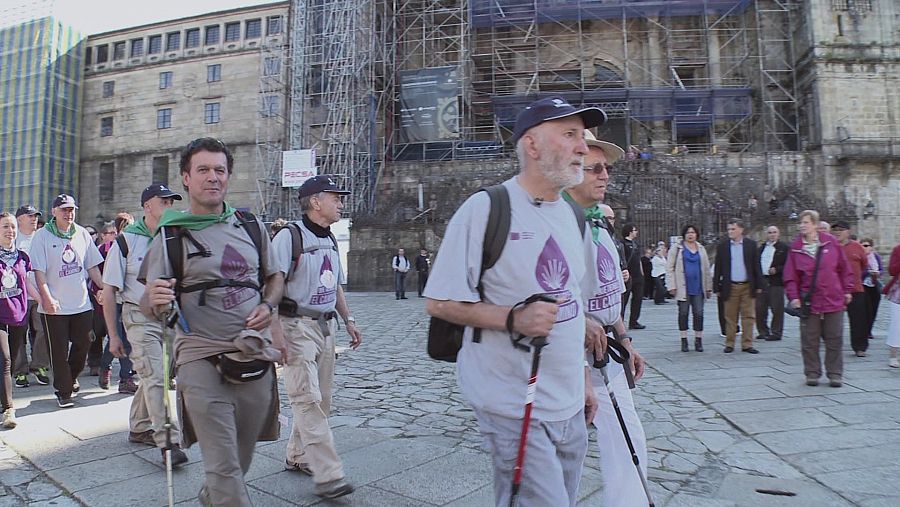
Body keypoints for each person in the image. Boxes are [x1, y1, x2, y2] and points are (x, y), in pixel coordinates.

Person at [425, 96, 605, 506]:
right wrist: (514, 318)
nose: (583, 147)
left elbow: (573, 305)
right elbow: (438, 302)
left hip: (569, 404)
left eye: (583, 136)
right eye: (570, 135)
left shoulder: (574, 216)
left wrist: (583, 380)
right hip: (513, 402)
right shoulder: (487, 208)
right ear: (532, 144)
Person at [141, 137, 285, 506]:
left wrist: (268, 305)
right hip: (199, 356)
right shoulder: (170, 235)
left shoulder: (251, 225)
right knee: (223, 465)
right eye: (203, 169)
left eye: (220, 170)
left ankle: (213, 494)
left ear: (228, 176)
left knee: (241, 457)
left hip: (251, 351)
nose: (213, 177)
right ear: (186, 178)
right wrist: (152, 299)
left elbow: (275, 277)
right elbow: (149, 305)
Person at [564, 129, 648, 507]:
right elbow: (553, 298)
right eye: (595, 168)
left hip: (607, 354)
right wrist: (581, 368)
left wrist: (625, 339)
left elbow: (610, 294)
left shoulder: (599, 224)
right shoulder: (557, 224)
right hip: (570, 359)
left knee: (629, 438)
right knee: (568, 453)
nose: (605, 175)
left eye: (606, 168)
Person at [271, 175, 362, 499]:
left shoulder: (331, 239)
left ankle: (298, 455)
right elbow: (272, 283)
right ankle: (329, 474)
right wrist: (274, 328)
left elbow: (334, 284)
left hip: (325, 327)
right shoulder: (289, 236)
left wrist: (348, 320)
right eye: (335, 197)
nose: (341, 203)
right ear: (315, 201)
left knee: (321, 398)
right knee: (306, 398)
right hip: (295, 326)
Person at [102, 184, 187, 467]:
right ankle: (169, 442)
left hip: (170, 317)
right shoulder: (126, 241)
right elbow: (109, 291)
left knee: (154, 374)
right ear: (147, 205)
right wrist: (113, 335)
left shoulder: (173, 237)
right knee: (157, 378)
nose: (169, 207)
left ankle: (140, 427)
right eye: (164, 201)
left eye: (172, 202)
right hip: (138, 316)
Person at [30, 194, 104, 408]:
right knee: (58, 352)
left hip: (81, 304)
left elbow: (92, 266)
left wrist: (102, 288)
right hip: (54, 306)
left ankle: (70, 377)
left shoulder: (81, 233)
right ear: (54, 211)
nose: (68, 213)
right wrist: (47, 298)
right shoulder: (42, 236)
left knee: (84, 343)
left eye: (71, 210)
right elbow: (39, 273)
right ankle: (64, 392)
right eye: (64, 209)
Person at [784, 210, 854, 387]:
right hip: (809, 301)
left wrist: (847, 290)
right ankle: (812, 372)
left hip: (833, 297)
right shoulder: (795, 247)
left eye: (806, 222)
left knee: (834, 337)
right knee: (809, 339)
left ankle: (835, 373)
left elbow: (844, 268)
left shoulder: (830, 242)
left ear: (815, 224)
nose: (802, 226)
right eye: (801, 222)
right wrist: (793, 297)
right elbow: (790, 276)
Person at [0, 212, 37, 428]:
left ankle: (2, 396)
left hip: (18, 314)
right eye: (5, 226)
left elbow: (27, 283)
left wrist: (44, 300)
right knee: (5, 359)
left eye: (12, 227)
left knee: (12, 361)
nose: (10, 231)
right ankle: (9, 409)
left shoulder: (22, 257)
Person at [96, 219, 138, 393]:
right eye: (124, 227)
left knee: (125, 339)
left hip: (129, 299)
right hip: (114, 300)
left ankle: (122, 375)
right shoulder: (110, 248)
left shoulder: (136, 243)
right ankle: (113, 372)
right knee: (118, 339)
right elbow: (99, 272)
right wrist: (100, 291)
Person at [11, 205, 49, 388]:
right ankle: (20, 371)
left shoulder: (42, 237)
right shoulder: (13, 239)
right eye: (30, 216)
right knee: (19, 334)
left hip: (41, 293)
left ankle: (39, 366)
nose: (34, 219)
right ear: (19, 219)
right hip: (18, 296)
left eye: (36, 216)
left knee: (43, 331)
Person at [713, 218, 763, 354]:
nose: (730, 232)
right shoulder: (723, 246)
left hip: (747, 285)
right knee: (730, 316)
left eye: (733, 229)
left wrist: (759, 284)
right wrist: (716, 286)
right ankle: (729, 343)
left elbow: (756, 265)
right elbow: (718, 268)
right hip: (730, 286)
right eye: (729, 229)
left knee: (749, 316)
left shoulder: (751, 245)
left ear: (741, 229)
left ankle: (747, 344)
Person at [666, 225, 712, 352]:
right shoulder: (677, 248)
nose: (690, 235)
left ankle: (698, 340)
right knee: (683, 313)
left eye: (693, 232)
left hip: (698, 287)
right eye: (688, 232)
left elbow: (706, 269)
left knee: (699, 313)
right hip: (683, 287)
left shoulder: (701, 248)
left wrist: (708, 287)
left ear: (697, 234)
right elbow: (669, 268)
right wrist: (671, 286)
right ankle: (684, 340)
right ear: (684, 235)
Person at [831, 221, 869, 357]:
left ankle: (860, 347)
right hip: (835, 290)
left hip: (855, 289)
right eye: (835, 230)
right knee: (832, 320)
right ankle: (832, 345)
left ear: (848, 231)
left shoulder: (857, 247)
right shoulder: (831, 247)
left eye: (840, 230)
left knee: (858, 320)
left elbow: (864, 264)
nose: (837, 232)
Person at [756, 225, 788, 341]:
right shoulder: (761, 248)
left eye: (774, 232)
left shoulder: (784, 248)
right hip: (762, 281)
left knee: (777, 308)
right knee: (760, 308)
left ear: (778, 234)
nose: (772, 234)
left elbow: (788, 265)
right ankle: (763, 331)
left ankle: (776, 332)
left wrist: (777, 269)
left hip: (776, 281)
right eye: (770, 232)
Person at [621, 224, 645, 330]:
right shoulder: (622, 243)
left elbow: (638, 259)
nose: (636, 232)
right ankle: (620, 320)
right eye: (635, 230)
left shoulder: (636, 244)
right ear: (630, 231)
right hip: (628, 275)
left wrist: (641, 272)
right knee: (624, 299)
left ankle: (634, 321)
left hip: (637, 275)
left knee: (638, 299)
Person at [861, 238, 883, 341]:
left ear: (871, 247)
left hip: (874, 285)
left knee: (874, 308)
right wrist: (868, 272)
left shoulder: (876, 256)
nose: (864, 248)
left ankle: (869, 330)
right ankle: (864, 330)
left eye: (866, 245)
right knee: (866, 309)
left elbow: (881, 269)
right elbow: (858, 272)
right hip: (863, 285)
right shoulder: (860, 257)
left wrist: (878, 273)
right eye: (862, 245)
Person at [883, 243, 900, 368]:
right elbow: (892, 270)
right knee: (897, 324)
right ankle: (893, 355)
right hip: (898, 293)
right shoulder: (897, 250)